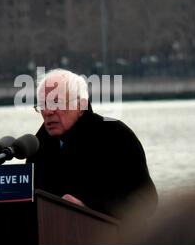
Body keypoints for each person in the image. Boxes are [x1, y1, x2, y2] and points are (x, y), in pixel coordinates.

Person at [26, 68, 157, 218]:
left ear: (81, 105)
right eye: (43, 104)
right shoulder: (38, 145)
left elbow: (146, 200)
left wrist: (88, 208)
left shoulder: (115, 135)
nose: (48, 111)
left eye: (56, 102)